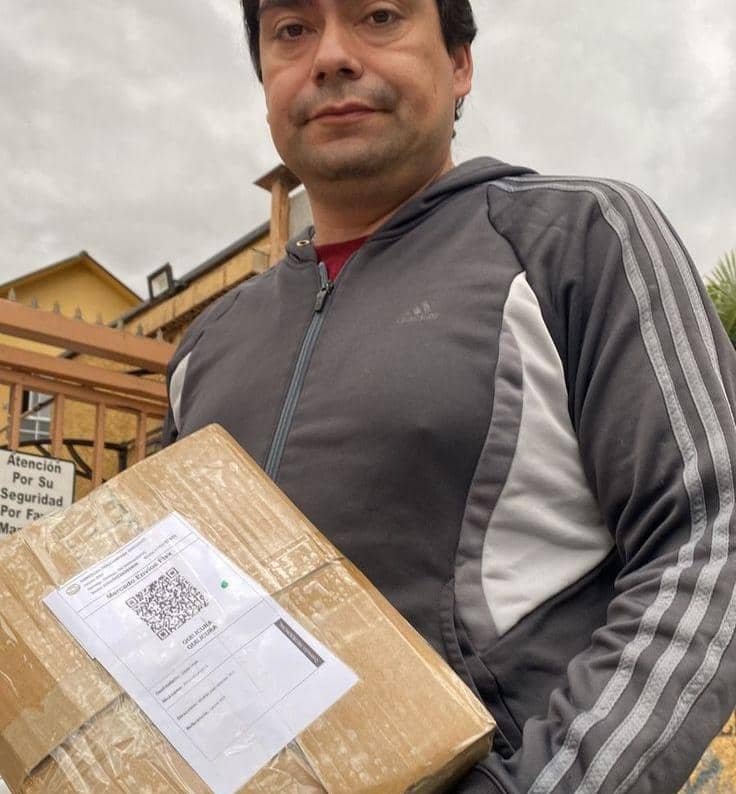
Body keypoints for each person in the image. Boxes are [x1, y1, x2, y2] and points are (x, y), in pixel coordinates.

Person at [163, 1, 736, 791]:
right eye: (291, 30)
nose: (330, 56)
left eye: (378, 16)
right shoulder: (206, 346)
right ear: (265, 80)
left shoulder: (578, 242)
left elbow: (710, 535)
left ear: (460, 63)